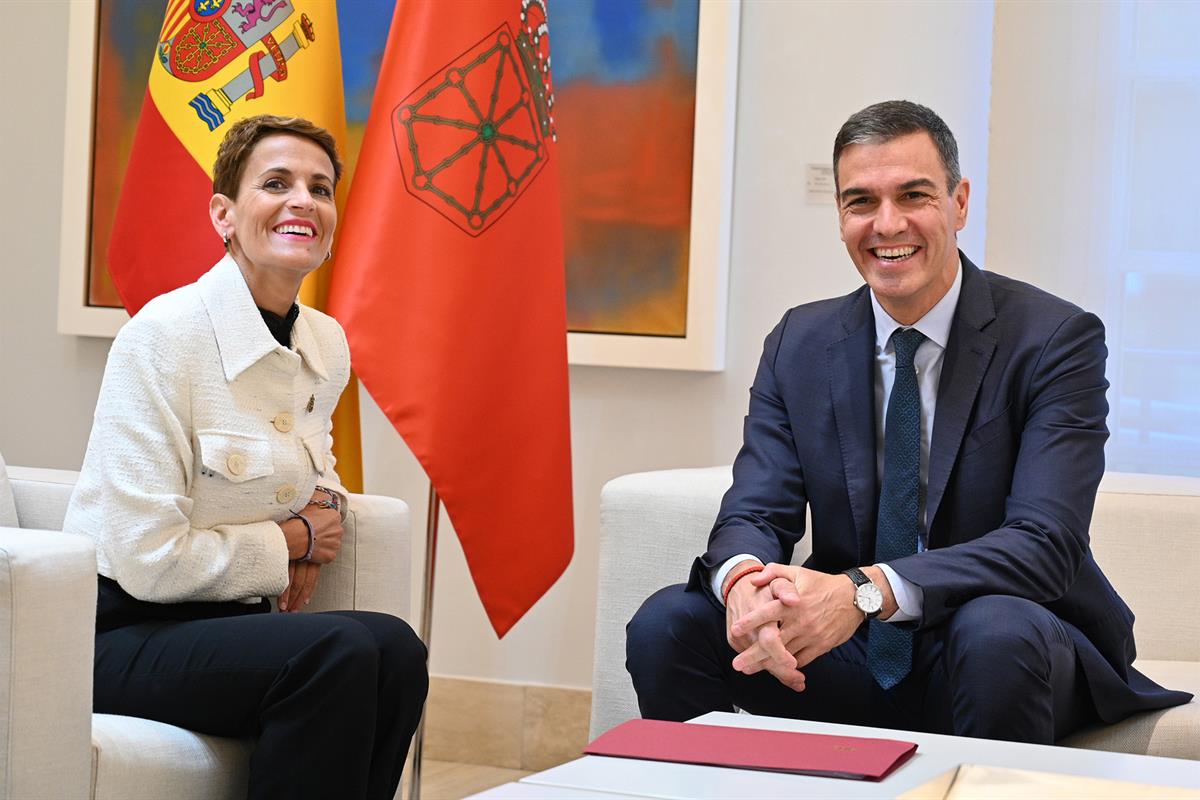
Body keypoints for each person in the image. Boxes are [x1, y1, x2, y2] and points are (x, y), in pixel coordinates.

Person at [626, 100, 1191, 744]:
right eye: (860, 201)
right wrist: (747, 586)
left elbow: (1045, 544)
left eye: (914, 195)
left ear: (959, 203)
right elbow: (756, 511)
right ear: (840, 216)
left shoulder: (1054, 339)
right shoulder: (799, 341)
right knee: (667, 623)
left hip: (1010, 642)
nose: (886, 224)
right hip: (852, 649)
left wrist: (863, 593)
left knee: (994, 633)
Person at [65, 115, 428, 799]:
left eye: (320, 189)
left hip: (227, 627)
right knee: (337, 652)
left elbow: (319, 478)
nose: (304, 202)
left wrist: (318, 518)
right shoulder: (163, 338)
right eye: (277, 183)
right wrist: (292, 540)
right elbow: (147, 557)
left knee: (397, 651)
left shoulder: (325, 342)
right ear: (224, 215)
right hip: (118, 632)